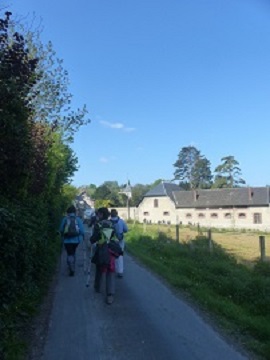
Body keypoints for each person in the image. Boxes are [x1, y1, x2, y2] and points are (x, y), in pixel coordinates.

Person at [90, 207, 122, 305]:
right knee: (110, 271)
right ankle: (110, 295)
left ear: (101, 214)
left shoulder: (98, 225)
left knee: (99, 268)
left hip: (101, 250)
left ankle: (97, 287)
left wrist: (93, 239)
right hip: (111, 251)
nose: (97, 215)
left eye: (98, 214)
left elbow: (93, 239)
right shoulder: (113, 224)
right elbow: (118, 237)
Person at [59, 205, 84, 276]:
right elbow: (82, 231)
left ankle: (71, 266)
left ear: (67, 212)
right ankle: (72, 265)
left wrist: (62, 234)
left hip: (67, 240)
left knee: (69, 253)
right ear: (75, 212)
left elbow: (61, 229)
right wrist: (82, 236)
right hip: (76, 240)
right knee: (73, 252)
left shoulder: (65, 219)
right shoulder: (78, 219)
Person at [110, 209, 128, 278]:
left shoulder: (109, 222)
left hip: (112, 240)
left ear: (110, 214)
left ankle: (112, 268)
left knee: (111, 254)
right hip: (120, 240)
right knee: (120, 255)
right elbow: (126, 230)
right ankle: (120, 271)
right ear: (117, 214)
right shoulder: (121, 221)